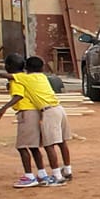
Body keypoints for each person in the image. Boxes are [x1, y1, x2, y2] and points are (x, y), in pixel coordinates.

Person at [0, 54, 63, 187]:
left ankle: (29, 176)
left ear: (8, 67)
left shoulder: (18, 79)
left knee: (22, 147)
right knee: (33, 146)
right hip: (35, 112)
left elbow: (18, 95)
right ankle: (42, 174)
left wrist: (2, 109)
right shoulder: (30, 78)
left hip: (26, 114)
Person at [24, 52, 72, 183]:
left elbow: (8, 76)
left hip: (48, 111)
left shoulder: (26, 78)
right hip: (59, 109)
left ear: (27, 69)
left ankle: (56, 175)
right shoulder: (43, 77)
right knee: (62, 142)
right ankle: (67, 169)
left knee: (49, 144)